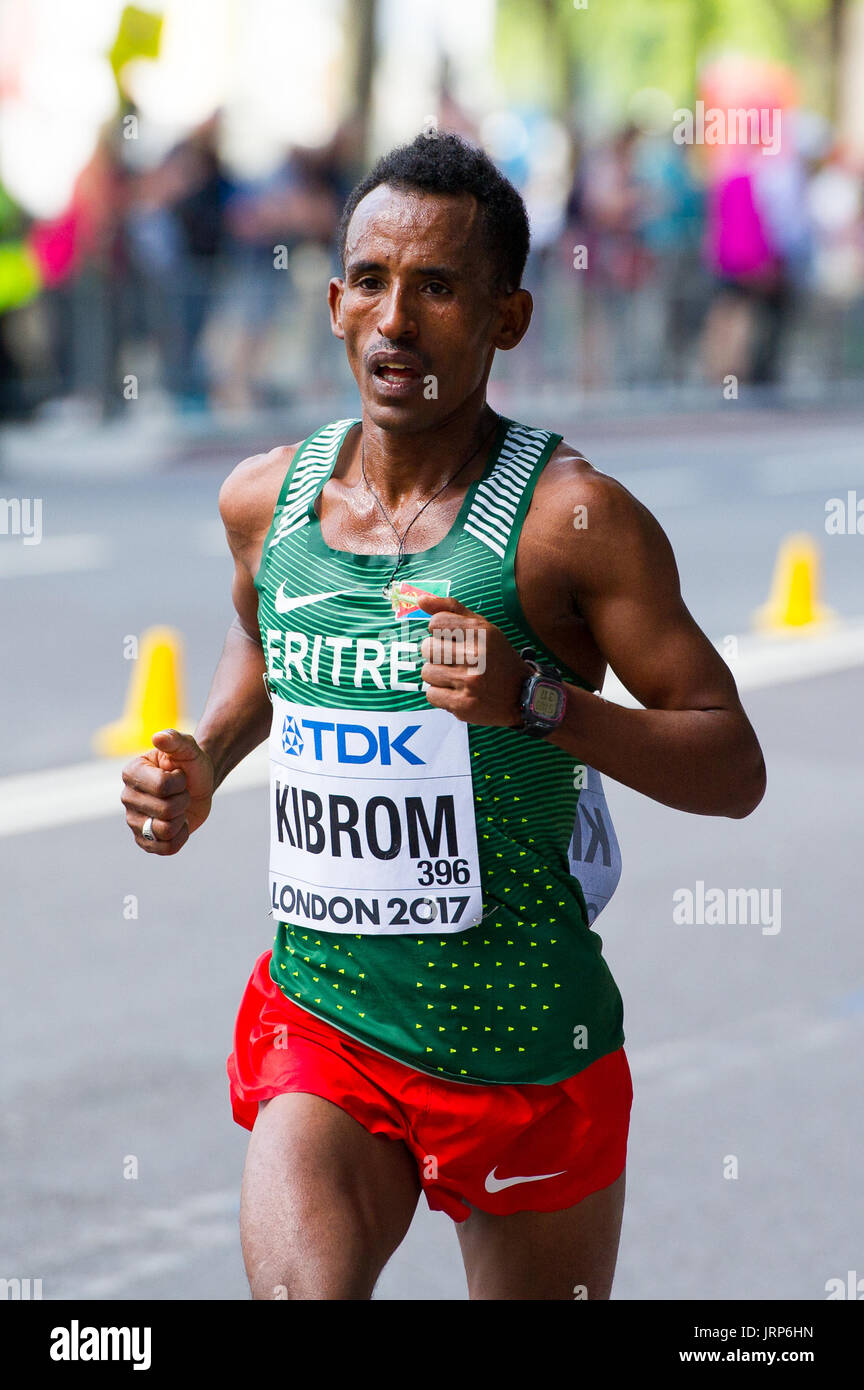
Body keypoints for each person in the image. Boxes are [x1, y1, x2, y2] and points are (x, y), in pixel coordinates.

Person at [120, 132, 766, 1301]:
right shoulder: (266, 499)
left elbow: (731, 761)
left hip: (526, 1047)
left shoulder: (572, 523)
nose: (396, 321)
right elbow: (264, 639)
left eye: (440, 288)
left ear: (508, 318)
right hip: (327, 1024)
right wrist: (204, 759)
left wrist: (541, 702)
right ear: (330, 300)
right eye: (370, 281)